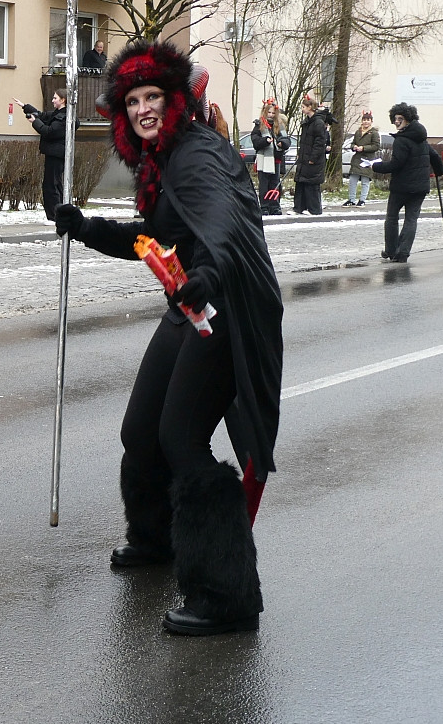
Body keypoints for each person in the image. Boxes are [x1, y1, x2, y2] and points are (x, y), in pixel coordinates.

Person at [53, 41, 283, 636]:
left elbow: (230, 234)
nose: (143, 108)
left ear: (175, 100)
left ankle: (225, 596)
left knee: (182, 439)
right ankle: (156, 539)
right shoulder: (162, 162)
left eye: (153, 96)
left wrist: (205, 276)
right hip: (190, 307)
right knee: (141, 433)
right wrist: (88, 229)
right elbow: (154, 237)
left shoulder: (199, 156)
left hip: (222, 309)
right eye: (133, 100)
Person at [369, 102, 443, 263]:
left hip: (401, 187)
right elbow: (435, 157)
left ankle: (390, 250)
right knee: (411, 219)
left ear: (408, 120)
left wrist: (376, 166)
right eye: (395, 118)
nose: (397, 121)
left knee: (391, 218)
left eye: (400, 118)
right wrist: (439, 172)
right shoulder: (421, 138)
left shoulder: (401, 140)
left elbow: (396, 164)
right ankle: (403, 253)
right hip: (420, 188)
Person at [16, 88, 73, 221]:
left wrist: (34, 122)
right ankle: (58, 215)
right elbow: (41, 115)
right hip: (54, 154)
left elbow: (48, 131)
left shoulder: (63, 118)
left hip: (56, 155)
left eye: (55, 98)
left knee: (51, 185)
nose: (52, 100)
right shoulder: (58, 114)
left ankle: (54, 217)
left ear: (63, 100)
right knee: (55, 184)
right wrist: (25, 107)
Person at [251, 100, 291, 215]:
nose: (271, 115)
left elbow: (286, 139)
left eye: (273, 113)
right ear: (265, 112)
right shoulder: (259, 126)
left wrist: (282, 144)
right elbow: (255, 142)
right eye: (269, 113)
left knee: (275, 183)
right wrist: (265, 141)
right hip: (264, 159)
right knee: (264, 183)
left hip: (276, 159)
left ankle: (275, 206)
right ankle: (264, 206)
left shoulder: (279, 125)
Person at [294, 96, 327, 215]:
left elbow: (319, 143)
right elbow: (304, 142)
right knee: (302, 183)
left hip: (313, 160)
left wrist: (313, 158)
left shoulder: (318, 123)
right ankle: (300, 207)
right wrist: (300, 154)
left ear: (310, 107)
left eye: (303, 107)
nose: (302, 109)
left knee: (311, 185)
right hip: (305, 157)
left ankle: (314, 209)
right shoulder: (307, 123)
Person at [345, 110, 380, 206]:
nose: (366, 122)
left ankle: (362, 200)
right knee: (352, 180)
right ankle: (351, 199)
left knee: (365, 180)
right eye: (364, 120)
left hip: (367, 160)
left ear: (371, 121)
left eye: (368, 120)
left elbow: (376, 146)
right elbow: (352, 143)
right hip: (357, 159)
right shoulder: (358, 132)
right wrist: (354, 147)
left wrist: (364, 148)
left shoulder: (374, 133)